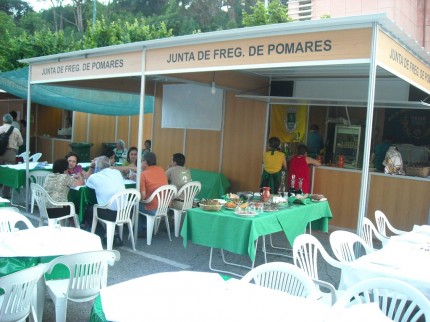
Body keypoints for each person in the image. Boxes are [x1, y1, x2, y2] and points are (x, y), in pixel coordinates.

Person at [84, 156, 126, 245]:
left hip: (110, 214)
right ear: (109, 164)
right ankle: (113, 232)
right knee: (104, 204)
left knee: (89, 211)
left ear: (97, 167)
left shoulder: (95, 177)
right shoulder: (117, 173)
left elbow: (87, 179)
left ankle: (106, 235)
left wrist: (91, 167)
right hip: (124, 212)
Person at [139, 152, 168, 236]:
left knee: (135, 205)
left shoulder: (143, 174)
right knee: (143, 204)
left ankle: (141, 230)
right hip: (165, 207)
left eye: (141, 161)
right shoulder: (161, 170)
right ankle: (146, 227)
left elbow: (143, 196)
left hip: (153, 209)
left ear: (145, 162)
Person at [0, 114, 23, 198]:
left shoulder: (0, 129)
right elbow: (20, 142)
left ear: (3, 120)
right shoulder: (15, 130)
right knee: (9, 173)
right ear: (11, 121)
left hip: (0, 152)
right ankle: (5, 194)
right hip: (11, 152)